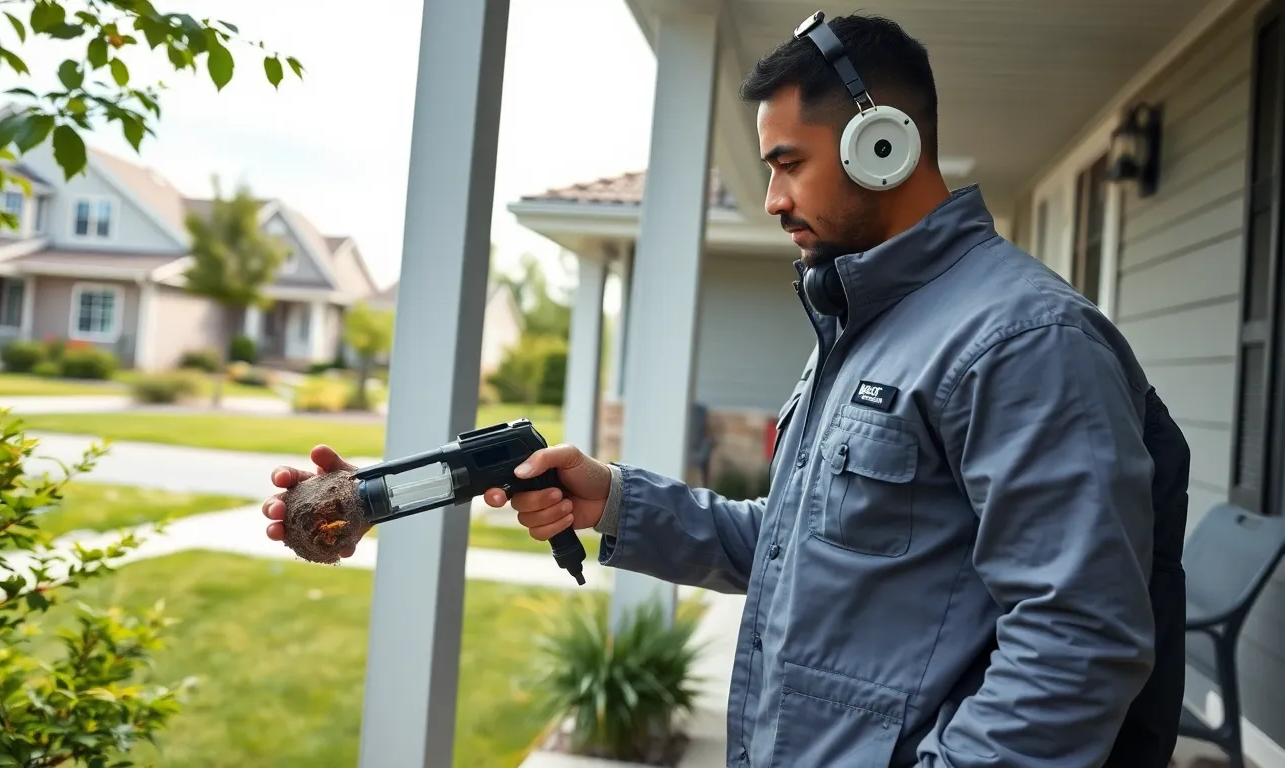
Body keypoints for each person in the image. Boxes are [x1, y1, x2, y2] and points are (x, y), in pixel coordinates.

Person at [264, 11, 1190, 768]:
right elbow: (792, 548)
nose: (774, 198)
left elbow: (1078, 641)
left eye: (788, 162)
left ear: (883, 145)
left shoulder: (1022, 341)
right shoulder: (864, 328)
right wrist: (609, 498)